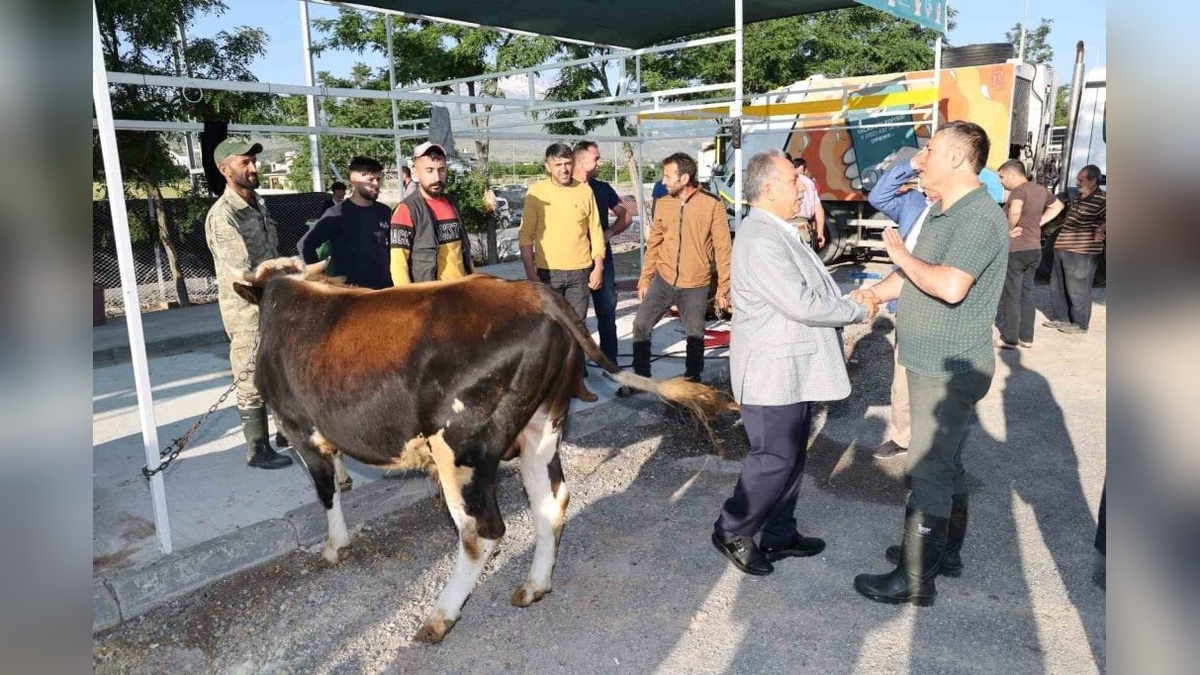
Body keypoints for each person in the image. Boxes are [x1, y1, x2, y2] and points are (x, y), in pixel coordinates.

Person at [850, 121, 1008, 606]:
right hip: (928, 359)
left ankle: (916, 577)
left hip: (947, 366)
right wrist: (876, 291)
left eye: (931, 151)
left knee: (928, 468)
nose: (919, 160)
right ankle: (944, 553)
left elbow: (949, 285)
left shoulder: (979, 216)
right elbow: (913, 279)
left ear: (960, 158)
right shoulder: (943, 212)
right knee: (945, 462)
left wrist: (898, 251)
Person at [711, 149, 879, 576]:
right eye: (792, 181)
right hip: (772, 373)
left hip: (791, 370)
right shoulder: (761, 236)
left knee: (791, 455)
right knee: (773, 457)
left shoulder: (777, 229)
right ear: (768, 188)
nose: (801, 186)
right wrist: (856, 309)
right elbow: (801, 302)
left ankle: (780, 532)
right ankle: (733, 528)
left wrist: (845, 301)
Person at [203, 137, 294, 470]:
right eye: (245, 162)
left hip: (273, 303)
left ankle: (287, 433)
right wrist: (287, 266)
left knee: (280, 369)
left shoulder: (258, 203)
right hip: (247, 310)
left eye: (254, 161)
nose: (254, 167)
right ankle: (257, 448)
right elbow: (245, 272)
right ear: (225, 169)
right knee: (250, 373)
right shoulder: (223, 215)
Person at [621, 153, 731, 394]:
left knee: (695, 335)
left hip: (695, 284)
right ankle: (641, 380)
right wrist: (645, 277)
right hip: (664, 279)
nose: (663, 181)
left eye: (668, 176)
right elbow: (655, 243)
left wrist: (724, 288)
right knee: (641, 325)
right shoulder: (663, 202)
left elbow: (724, 249)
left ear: (684, 177)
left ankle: (692, 383)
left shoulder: (712, 205)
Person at [864, 155, 942, 461]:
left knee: (937, 382)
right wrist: (910, 164)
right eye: (923, 170)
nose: (926, 174)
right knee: (904, 379)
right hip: (908, 300)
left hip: (943, 305)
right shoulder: (912, 202)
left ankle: (934, 441)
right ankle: (902, 436)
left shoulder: (960, 208)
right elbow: (877, 195)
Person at [519, 143, 605, 402]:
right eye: (558, 164)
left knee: (577, 330)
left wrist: (598, 266)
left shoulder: (584, 192)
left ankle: (577, 383)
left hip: (580, 272)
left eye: (567, 163)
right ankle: (551, 387)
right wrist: (531, 273)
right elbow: (526, 236)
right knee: (550, 331)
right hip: (547, 274)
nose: (564, 169)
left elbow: (596, 231)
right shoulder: (537, 193)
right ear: (548, 167)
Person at [573, 141, 633, 365]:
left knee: (606, 311)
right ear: (580, 160)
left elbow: (625, 216)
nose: (600, 162)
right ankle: (577, 366)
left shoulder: (602, 188)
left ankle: (610, 362)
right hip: (573, 261)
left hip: (602, 259)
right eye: (596, 158)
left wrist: (607, 234)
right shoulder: (566, 190)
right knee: (575, 315)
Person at [996, 159, 1064, 348]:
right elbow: (1058, 206)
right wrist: (1038, 223)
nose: (1001, 181)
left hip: (1016, 249)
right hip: (1034, 249)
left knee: (1012, 294)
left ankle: (1010, 338)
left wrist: (1009, 229)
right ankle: (1027, 338)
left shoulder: (1018, 190)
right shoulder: (1040, 189)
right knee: (1027, 292)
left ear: (1011, 173)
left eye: (1001, 177)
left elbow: (1015, 210)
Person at [301, 156, 393, 290]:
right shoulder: (337, 214)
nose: (376, 184)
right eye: (370, 179)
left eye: (378, 179)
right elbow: (306, 244)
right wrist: (319, 277)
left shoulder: (385, 212)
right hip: (350, 295)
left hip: (384, 291)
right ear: (353, 182)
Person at [389, 142, 473, 284]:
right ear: (416, 173)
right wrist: (410, 301)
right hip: (431, 298)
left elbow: (463, 252)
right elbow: (398, 265)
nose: (437, 178)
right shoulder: (406, 209)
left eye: (441, 170)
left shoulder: (452, 203)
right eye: (429, 170)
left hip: (460, 293)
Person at [1043, 164, 1106, 335]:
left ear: (1093, 181)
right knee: (1058, 285)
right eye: (1078, 179)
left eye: (1081, 180)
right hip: (1063, 248)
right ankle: (1061, 318)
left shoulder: (1103, 199)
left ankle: (1080, 324)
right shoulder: (1078, 197)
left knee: (1078, 288)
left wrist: (1101, 229)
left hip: (1082, 252)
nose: (1077, 182)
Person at [792, 157, 827, 249]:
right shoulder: (810, 183)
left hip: (783, 225)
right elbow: (819, 209)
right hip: (802, 226)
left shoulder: (779, 180)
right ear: (805, 170)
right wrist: (820, 233)